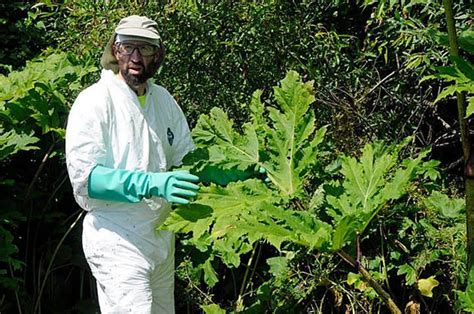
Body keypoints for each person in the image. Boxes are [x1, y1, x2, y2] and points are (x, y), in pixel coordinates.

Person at [65, 15, 199, 313]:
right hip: (117, 239)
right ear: (115, 50)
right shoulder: (94, 101)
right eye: (128, 48)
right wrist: (152, 183)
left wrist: (238, 173)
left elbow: (188, 161)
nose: (136, 58)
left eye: (146, 49)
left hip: (161, 236)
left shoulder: (162, 99)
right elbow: (87, 180)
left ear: (158, 55)